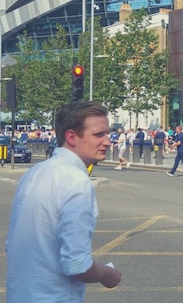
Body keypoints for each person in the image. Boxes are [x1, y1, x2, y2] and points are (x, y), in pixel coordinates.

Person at [6, 101, 122, 301]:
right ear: (71, 136)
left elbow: (13, 244)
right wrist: (107, 274)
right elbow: (77, 265)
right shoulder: (76, 181)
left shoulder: (34, 173)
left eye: (107, 134)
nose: (107, 142)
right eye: (98, 134)